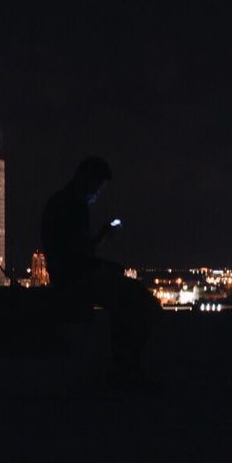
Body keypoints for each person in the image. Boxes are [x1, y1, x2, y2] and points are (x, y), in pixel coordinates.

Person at [40, 156, 161, 385]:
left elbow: (76, 253)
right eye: (98, 186)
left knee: (125, 306)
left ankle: (122, 367)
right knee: (143, 305)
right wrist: (107, 264)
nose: (98, 193)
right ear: (87, 179)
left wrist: (102, 237)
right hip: (77, 282)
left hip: (69, 279)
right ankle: (125, 369)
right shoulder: (74, 206)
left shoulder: (60, 202)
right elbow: (79, 259)